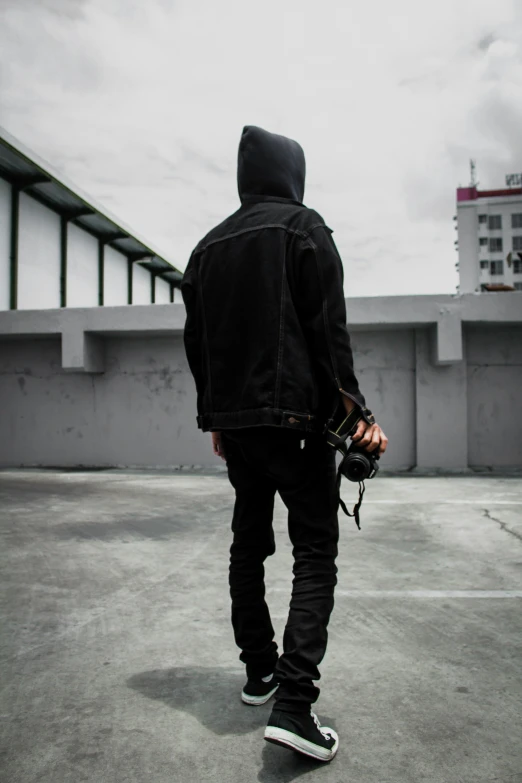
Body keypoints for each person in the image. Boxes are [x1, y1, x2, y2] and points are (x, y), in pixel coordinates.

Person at [180, 125, 388, 763]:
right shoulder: (305, 229)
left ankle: (260, 672)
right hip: (297, 424)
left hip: (238, 428)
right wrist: (357, 413)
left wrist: (216, 417)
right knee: (314, 551)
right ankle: (295, 708)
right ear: (291, 173)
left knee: (249, 542)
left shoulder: (206, 249)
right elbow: (328, 332)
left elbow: (199, 344)